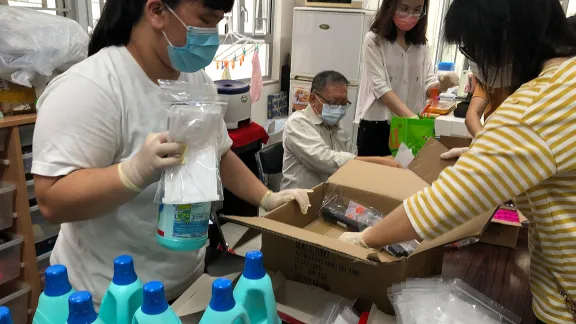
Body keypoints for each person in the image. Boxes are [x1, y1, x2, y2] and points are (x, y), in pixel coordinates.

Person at [32, 0, 312, 306]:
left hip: (185, 283)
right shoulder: (90, 87)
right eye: (206, 20)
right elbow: (52, 200)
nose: (212, 36)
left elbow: (218, 154)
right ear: (157, 12)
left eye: (219, 22)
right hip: (109, 297)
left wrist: (266, 198)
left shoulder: (196, 80)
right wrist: (132, 173)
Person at [339, 0, 576, 323]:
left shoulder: (534, 105)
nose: (477, 66)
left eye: (473, 50)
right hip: (383, 123)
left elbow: (442, 204)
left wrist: (365, 237)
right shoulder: (566, 82)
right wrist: (485, 157)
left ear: (505, 37)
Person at [355, 0, 458, 157]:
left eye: (417, 10)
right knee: (373, 178)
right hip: (379, 126)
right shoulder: (374, 40)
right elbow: (381, 89)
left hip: (412, 127)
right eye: (404, 8)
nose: (410, 15)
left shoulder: (421, 45)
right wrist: (411, 117)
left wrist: (442, 85)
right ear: (390, 6)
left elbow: (429, 89)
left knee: (410, 177)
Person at [281, 71, 402, 190]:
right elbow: (324, 159)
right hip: (299, 202)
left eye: (343, 104)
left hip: (329, 197)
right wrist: (377, 161)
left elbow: (349, 160)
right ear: (313, 99)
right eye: (333, 103)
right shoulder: (297, 123)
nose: (339, 109)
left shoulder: (337, 126)